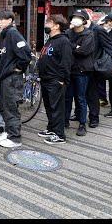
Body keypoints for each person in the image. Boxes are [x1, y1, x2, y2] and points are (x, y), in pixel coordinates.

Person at [0, 11, 32, 148]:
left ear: (10, 20)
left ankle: (15, 138)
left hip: (11, 78)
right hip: (3, 77)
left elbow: (26, 54)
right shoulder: (4, 34)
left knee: (10, 108)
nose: (0, 22)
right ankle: (8, 132)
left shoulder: (13, 33)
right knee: (3, 107)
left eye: (3, 19)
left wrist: (18, 68)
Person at [37, 15, 72, 145]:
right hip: (46, 79)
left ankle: (59, 134)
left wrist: (62, 79)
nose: (46, 24)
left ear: (57, 26)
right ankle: (51, 128)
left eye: (49, 22)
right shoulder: (50, 40)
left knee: (57, 107)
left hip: (55, 80)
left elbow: (66, 62)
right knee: (49, 106)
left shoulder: (63, 41)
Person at [65, 10, 95, 137]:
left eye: (79, 17)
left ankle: (82, 124)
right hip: (68, 70)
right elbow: (65, 48)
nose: (76, 19)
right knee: (67, 97)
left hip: (82, 70)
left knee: (80, 97)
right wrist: (75, 47)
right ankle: (64, 120)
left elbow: (84, 51)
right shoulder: (67, 33)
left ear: (84, 21)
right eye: (74, 17)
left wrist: (74, 47)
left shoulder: (89, 34)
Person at [86, 15, 112, 128]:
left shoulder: (98, 30)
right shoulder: (74, 31)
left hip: (93, 67)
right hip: (77, 67)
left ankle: (94, 118)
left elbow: (109, 47)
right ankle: (78, 114)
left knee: (92, 94)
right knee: (79, 94)